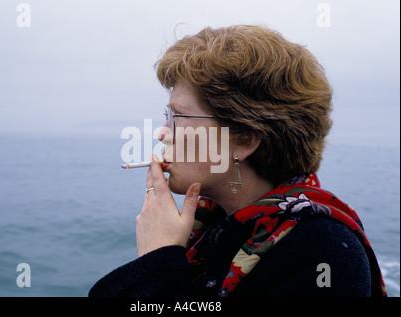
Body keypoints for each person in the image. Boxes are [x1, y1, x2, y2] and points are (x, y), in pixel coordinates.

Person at [89, 25, 386, 297]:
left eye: (178, 116)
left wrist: (158, 259)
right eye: (167, 116)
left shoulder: (324, 254)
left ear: (244, 139)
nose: (163, 132)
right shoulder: (213, 228)